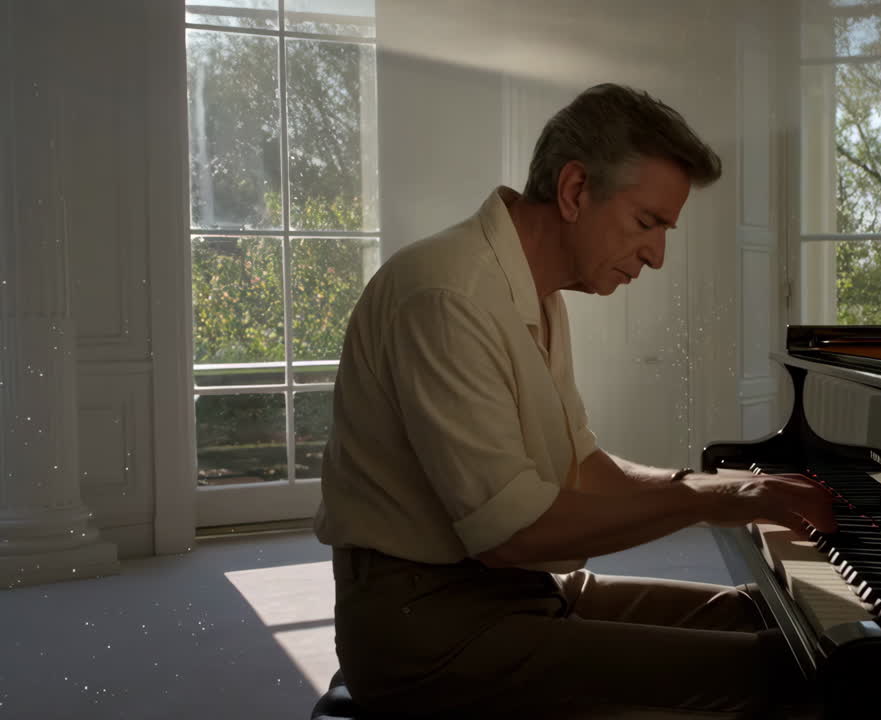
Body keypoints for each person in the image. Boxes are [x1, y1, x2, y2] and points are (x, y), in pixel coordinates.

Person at [314, 83, 836, 719]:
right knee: (784, 676)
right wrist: (706, 498)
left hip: (511, 594)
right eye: (647, 223)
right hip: (427, 633)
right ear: (574, 191)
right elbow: (511, 532)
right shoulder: (449, 296)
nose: (658, 255)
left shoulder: (539, 294)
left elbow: (583, 468)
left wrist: (706, 484)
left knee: (784, 624)